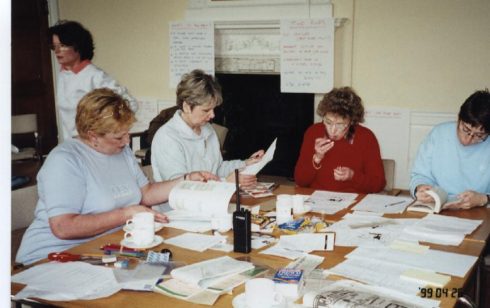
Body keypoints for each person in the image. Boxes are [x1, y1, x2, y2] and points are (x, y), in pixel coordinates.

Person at [16, 88, 217, 265]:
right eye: (119, 137)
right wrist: (126, 214)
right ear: (92, 135)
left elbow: (146, 194)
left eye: (127, 133)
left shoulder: (122, 152)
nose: (127, 141)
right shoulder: (65, 160)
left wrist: (186, 179)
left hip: (105, 248)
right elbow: (63, 227)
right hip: (54, 256)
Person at [151, 69, 264, 186]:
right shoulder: (167, 138)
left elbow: (218, 169)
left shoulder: (207, 129)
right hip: (181, 203)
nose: (213, 115)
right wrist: (225, 182)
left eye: (213, 109)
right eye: (206, 110)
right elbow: (180, 188)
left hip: (210, 200)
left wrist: (245, 164)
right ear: (186, 107)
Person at [48, 20, 138, 141]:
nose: (57, 51)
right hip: (72, 144)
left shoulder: (95, 75)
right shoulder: (63, 75)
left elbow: (130, 104)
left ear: (77, 46)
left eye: (63, 45)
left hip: (92, 144)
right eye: (55, 46)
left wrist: (105, 129)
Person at [294, 87, 386, 193]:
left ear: (352, 121)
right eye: (328, 122)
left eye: (340, 125)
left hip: (353, 202)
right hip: (317, 200)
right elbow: (300, 181)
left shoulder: (366, 137)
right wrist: (317, 158)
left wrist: (353, 176)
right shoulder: (313, 132)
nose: (332, 131)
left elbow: (378, 184)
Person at [410, 89, 490, 210]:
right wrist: (420, 188)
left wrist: (483, 199)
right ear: (458, 118)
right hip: (437, 209)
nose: (468, 140)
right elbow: (419, 174)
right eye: (466, 130)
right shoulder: (438, 134)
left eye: (479, 136)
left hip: (480, 212)